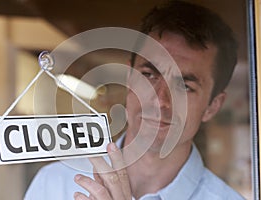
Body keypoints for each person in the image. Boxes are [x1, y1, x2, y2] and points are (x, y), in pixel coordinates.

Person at [25, 1, 245, 199]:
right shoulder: (53, 184)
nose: (160, 102)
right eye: (148, 75)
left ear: (212, 106)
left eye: (185, 86)